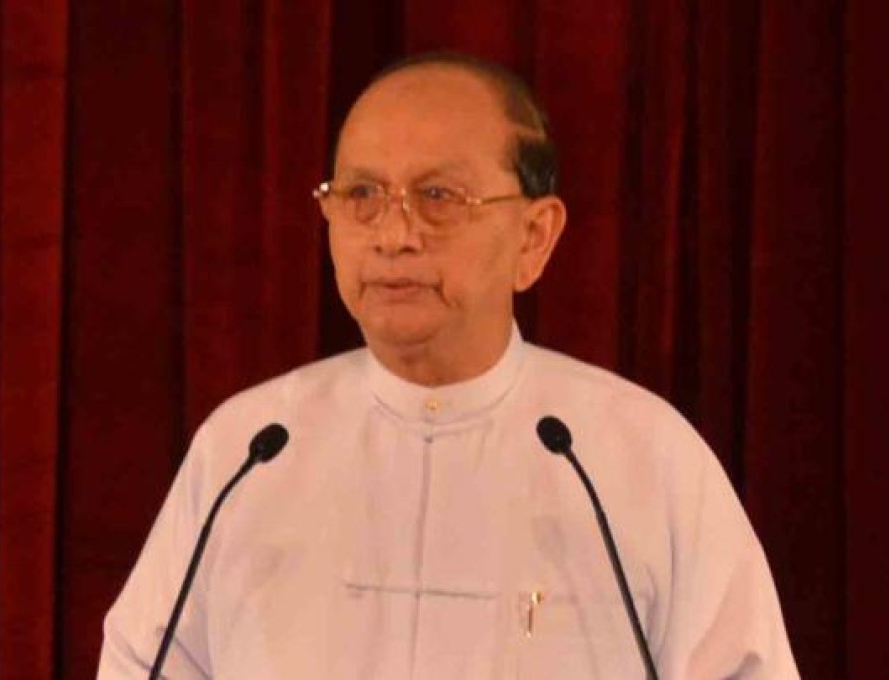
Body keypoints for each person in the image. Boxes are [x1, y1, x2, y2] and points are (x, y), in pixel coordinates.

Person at [98, 52, 798, 679]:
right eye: (363, 197)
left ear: (535, 236)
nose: (395, 236)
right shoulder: (250, 450)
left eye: (438, 198)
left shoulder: (637, 456)